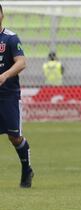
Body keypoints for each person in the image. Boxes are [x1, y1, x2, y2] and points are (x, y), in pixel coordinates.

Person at [0, 4, 34, 188]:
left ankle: (26, 168)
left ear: (2, 14)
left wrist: (4, 75)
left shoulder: (11, 39)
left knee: (15, 137)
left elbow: (21, 62)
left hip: (8, 96)